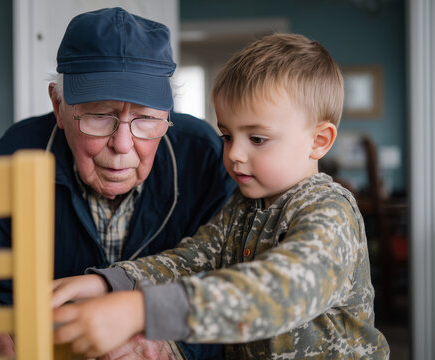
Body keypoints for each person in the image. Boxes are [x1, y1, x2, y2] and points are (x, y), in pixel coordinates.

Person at [50, 34, 391, 359]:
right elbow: (189, 260)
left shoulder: (329, 211)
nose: (234, 155)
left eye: (257, 139)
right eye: (227, 136)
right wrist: (107, 283)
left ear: (319, 141)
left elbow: (280, 290)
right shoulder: (243, 207)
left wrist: (142, 310)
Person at [0, 7, 236, 359]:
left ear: (168, 115)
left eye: (146, 119)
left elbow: (234, 289)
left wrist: (173, 347)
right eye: (100, 115)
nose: (123, 145)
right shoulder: (10, 160)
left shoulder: (206, 159)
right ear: (58, 106)